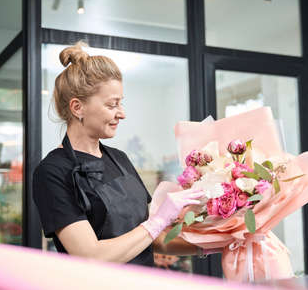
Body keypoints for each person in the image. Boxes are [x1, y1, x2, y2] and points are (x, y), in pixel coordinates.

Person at [33, 42, 219, 267]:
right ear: (77, 108)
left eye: (121, 103)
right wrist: (157, 221)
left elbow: (154, 240)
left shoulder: (119, 159)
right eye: (112, 105)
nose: (122, 114)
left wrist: (217, 242)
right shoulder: (52, 171)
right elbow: (90, 255)